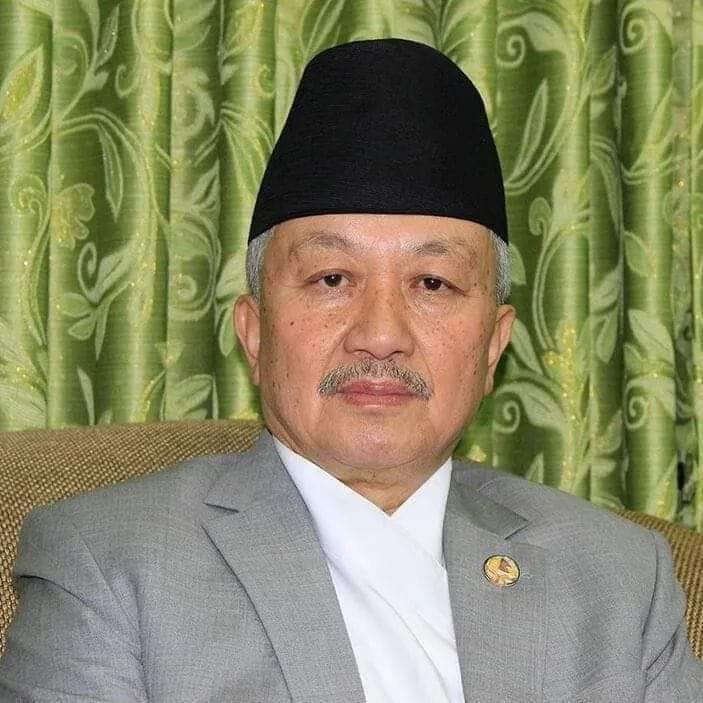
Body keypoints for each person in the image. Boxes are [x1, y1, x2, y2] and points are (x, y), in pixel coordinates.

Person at [0, 38, 701, 703]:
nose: (381, 335)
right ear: (254, 333)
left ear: (493, 345)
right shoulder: (108, 564)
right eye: (332, 278)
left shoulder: (618, 578)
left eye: (432, 283)